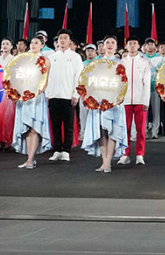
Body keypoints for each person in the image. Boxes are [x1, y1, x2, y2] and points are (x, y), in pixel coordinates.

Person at [82, 37, 128, 173]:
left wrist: (121, 96)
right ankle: (104, 161)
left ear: (116, 46)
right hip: (98, 100)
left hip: (113, 101)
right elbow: (89, 81)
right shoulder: (96, 63)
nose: (109, 45)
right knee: (101, 130)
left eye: (112, 43)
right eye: (107, 43)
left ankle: (108, 161)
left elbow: (124, 82)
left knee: (112, 130)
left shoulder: (120, 63)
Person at [12, 36, 51, 169]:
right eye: (32, 43)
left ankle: (30, 158)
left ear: (42, 45)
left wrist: (38, 90)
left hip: (37, 97)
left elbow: (45, 80)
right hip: (24, 96)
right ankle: (30, 157)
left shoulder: (45, 60)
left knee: (35, 128)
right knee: (27, 128)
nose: (33, 45)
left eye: (37, 43)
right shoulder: (23, 59)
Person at [46, 29, 83, 162]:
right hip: (54, 95)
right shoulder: (51, 57)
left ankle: (66, 150)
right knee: (55, 125)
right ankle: (57, 150)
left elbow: (78, 77)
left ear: (69, 41)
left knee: (68, 125)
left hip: (68, 96)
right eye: (60, 38)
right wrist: (48, 93)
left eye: (65, 38)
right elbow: (47, 77)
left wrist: (75, 95)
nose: (62, 41)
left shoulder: (75, 57)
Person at [118, 36, 153, 166]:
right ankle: (124, 154)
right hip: (125, 101)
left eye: (134, 43)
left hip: (140, 100)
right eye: (130, 44)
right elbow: (119, 82)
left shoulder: (144, 62)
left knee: (140, 130)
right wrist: (119, 98)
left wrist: (146, 101)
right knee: (124, 129)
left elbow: (147, 83)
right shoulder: (122, 63)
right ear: (126, 46)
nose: (132, 46)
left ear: (138, 46)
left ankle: (139, 154)